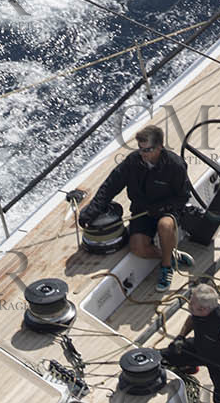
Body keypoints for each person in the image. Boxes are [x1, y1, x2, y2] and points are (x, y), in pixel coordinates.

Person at [76, 124, 193, 290]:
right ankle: (170, 254)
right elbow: (110, 186)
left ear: (159, 147)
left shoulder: (175, 165)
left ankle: (166, 267)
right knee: (138, 248)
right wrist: (91, 212)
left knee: (165, 225)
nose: (142, 154)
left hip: (167, 211)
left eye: (147, 150)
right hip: (142, 211)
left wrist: (161, 208)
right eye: (140, 149)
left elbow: (183, 197)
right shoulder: (133, 161)